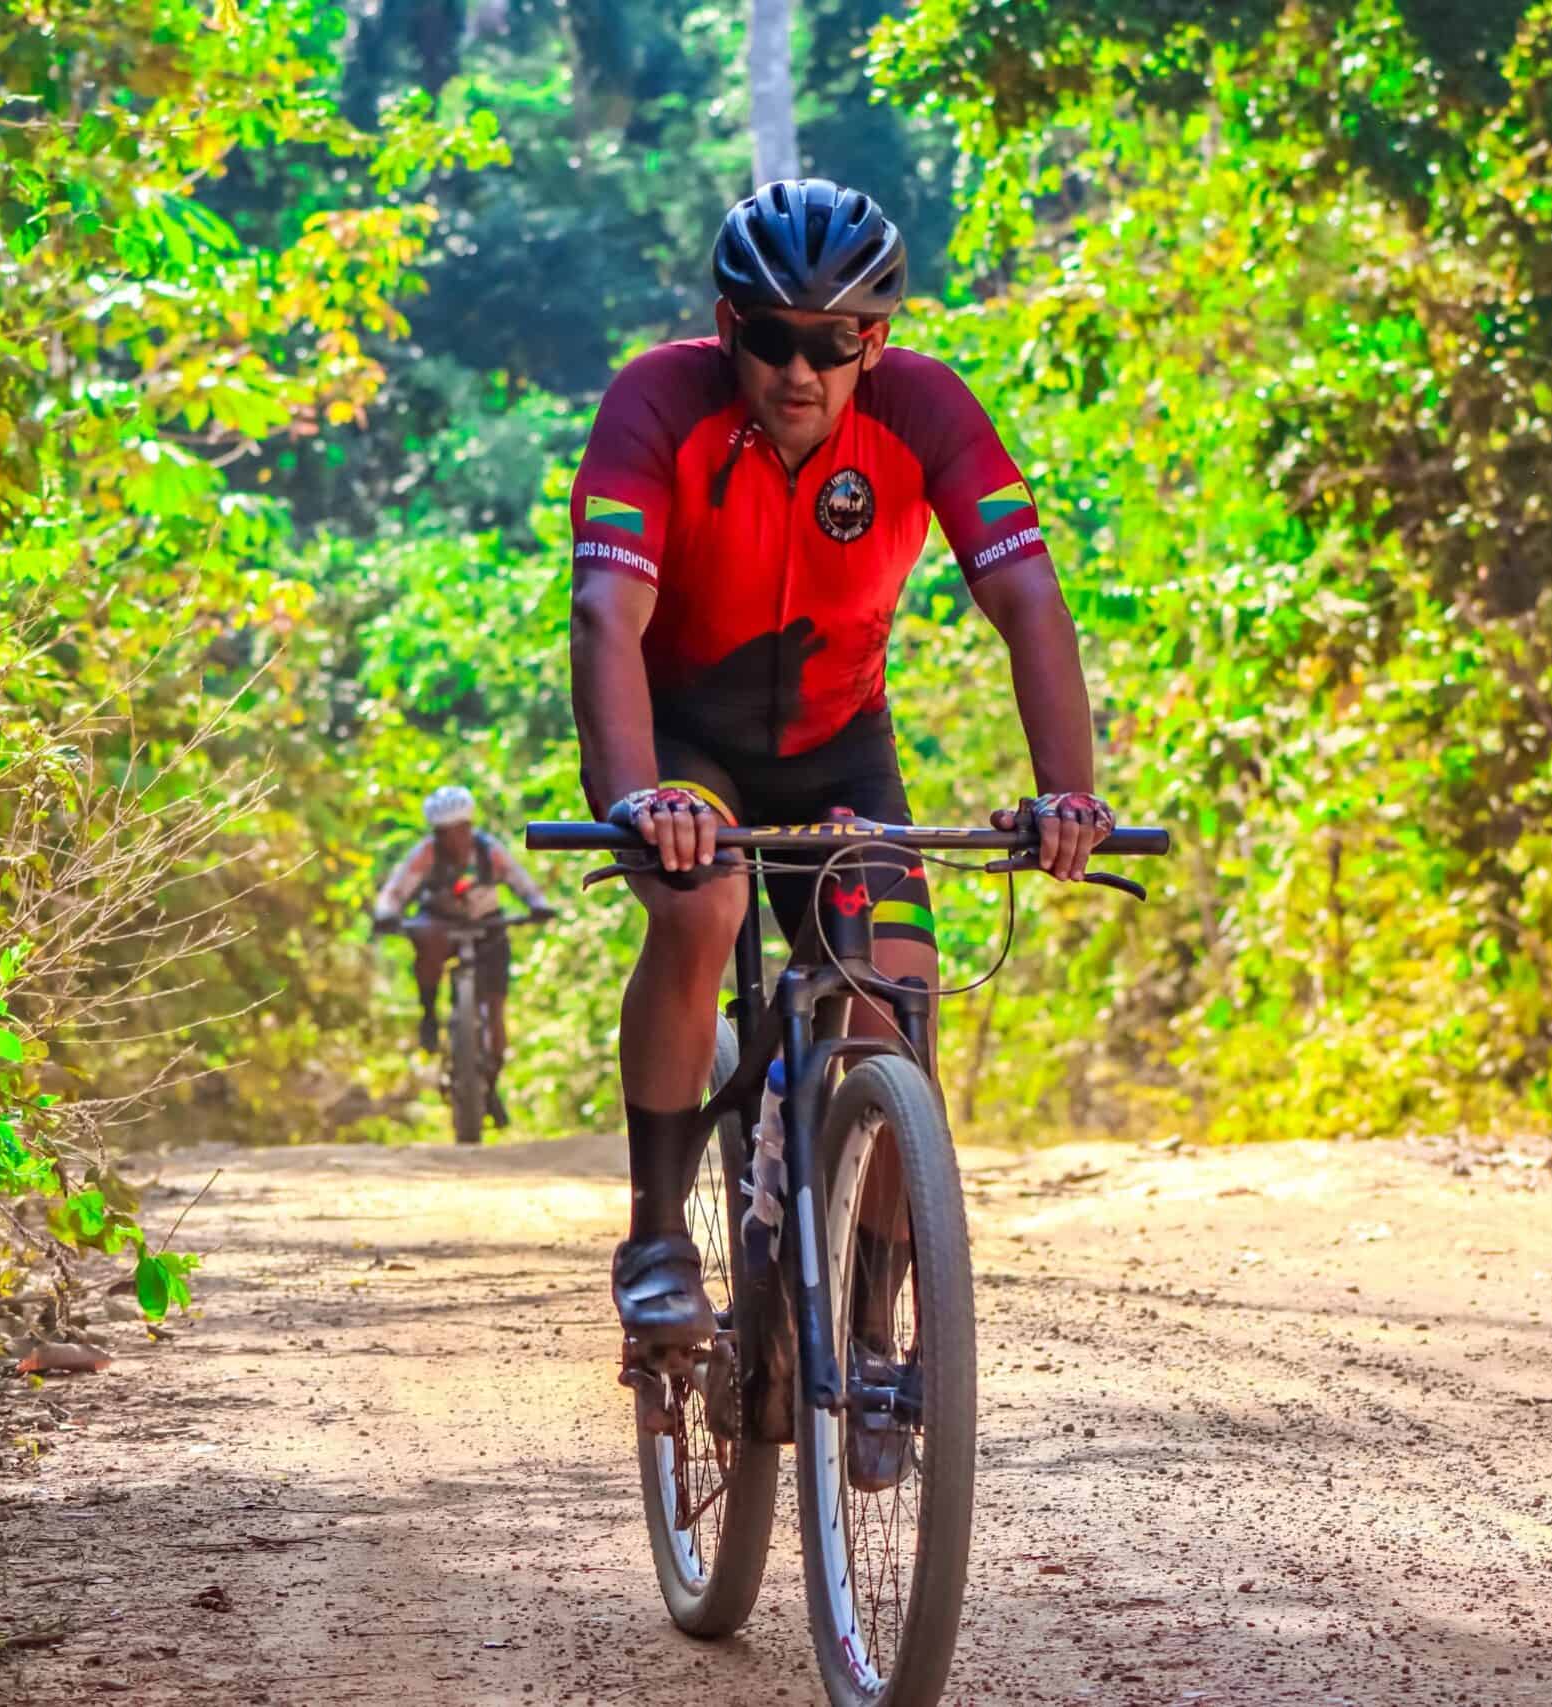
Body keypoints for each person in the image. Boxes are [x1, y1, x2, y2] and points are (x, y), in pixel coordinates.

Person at [565, 178, 1116, 1370]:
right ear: (728, 326)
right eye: (772, 338)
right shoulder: (656, 402)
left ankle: (870, 1335)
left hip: (837, 752)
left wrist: (1067, 791)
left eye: (837, 342)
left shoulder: (924, 408)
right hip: (686, 749)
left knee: (895, 999)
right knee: (701, 903)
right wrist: (635, 797)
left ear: (879, 339)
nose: (801, 371)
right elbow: (607, 611)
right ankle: (656, 1239)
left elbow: (1027, 596)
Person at [371, 786, 555, 1126]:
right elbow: (396, 891)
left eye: (460, 830)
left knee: (495, 1012)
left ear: (470, 827)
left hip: (487, 926)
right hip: (441, 923)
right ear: (435, 833)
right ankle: (429, 1012)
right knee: (426, 941)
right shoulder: (426, 854)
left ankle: (491, 1086)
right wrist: (386, 913)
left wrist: (537, 904)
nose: (453, 839)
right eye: (444, 832)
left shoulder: (489, 852)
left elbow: (521, 881)